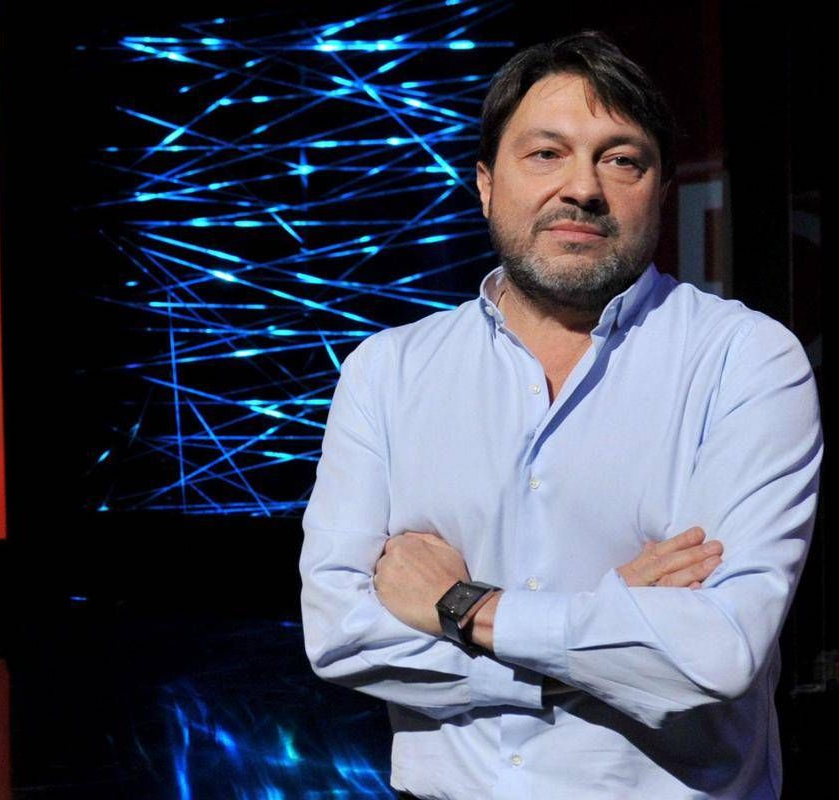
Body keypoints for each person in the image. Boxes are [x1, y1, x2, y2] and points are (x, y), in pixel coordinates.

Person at [298, 30, 822, 800]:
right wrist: (599, 640)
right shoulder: (388, 370)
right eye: (546, 154)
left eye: (622, 159)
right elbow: (339, 634)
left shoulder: (745, 361)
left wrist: (462, 607)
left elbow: (715, 654)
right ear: (485, 184)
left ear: (661, 192)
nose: (583, 188)